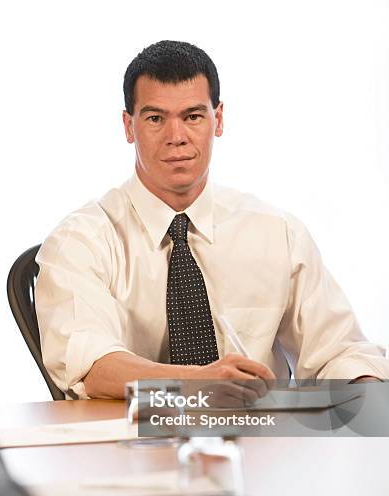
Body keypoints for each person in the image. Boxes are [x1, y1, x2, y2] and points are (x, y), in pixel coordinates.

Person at [35, 40, 389, 400]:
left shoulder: (277, 233)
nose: (176, 138)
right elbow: (93, 366)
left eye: (193, 116)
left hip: (260, 445)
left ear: (217, 120)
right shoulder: (79, 241)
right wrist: (198, 382)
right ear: (129, 126)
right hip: (130, 445)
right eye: (156, 118)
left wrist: (367, 399)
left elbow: (341, 352)